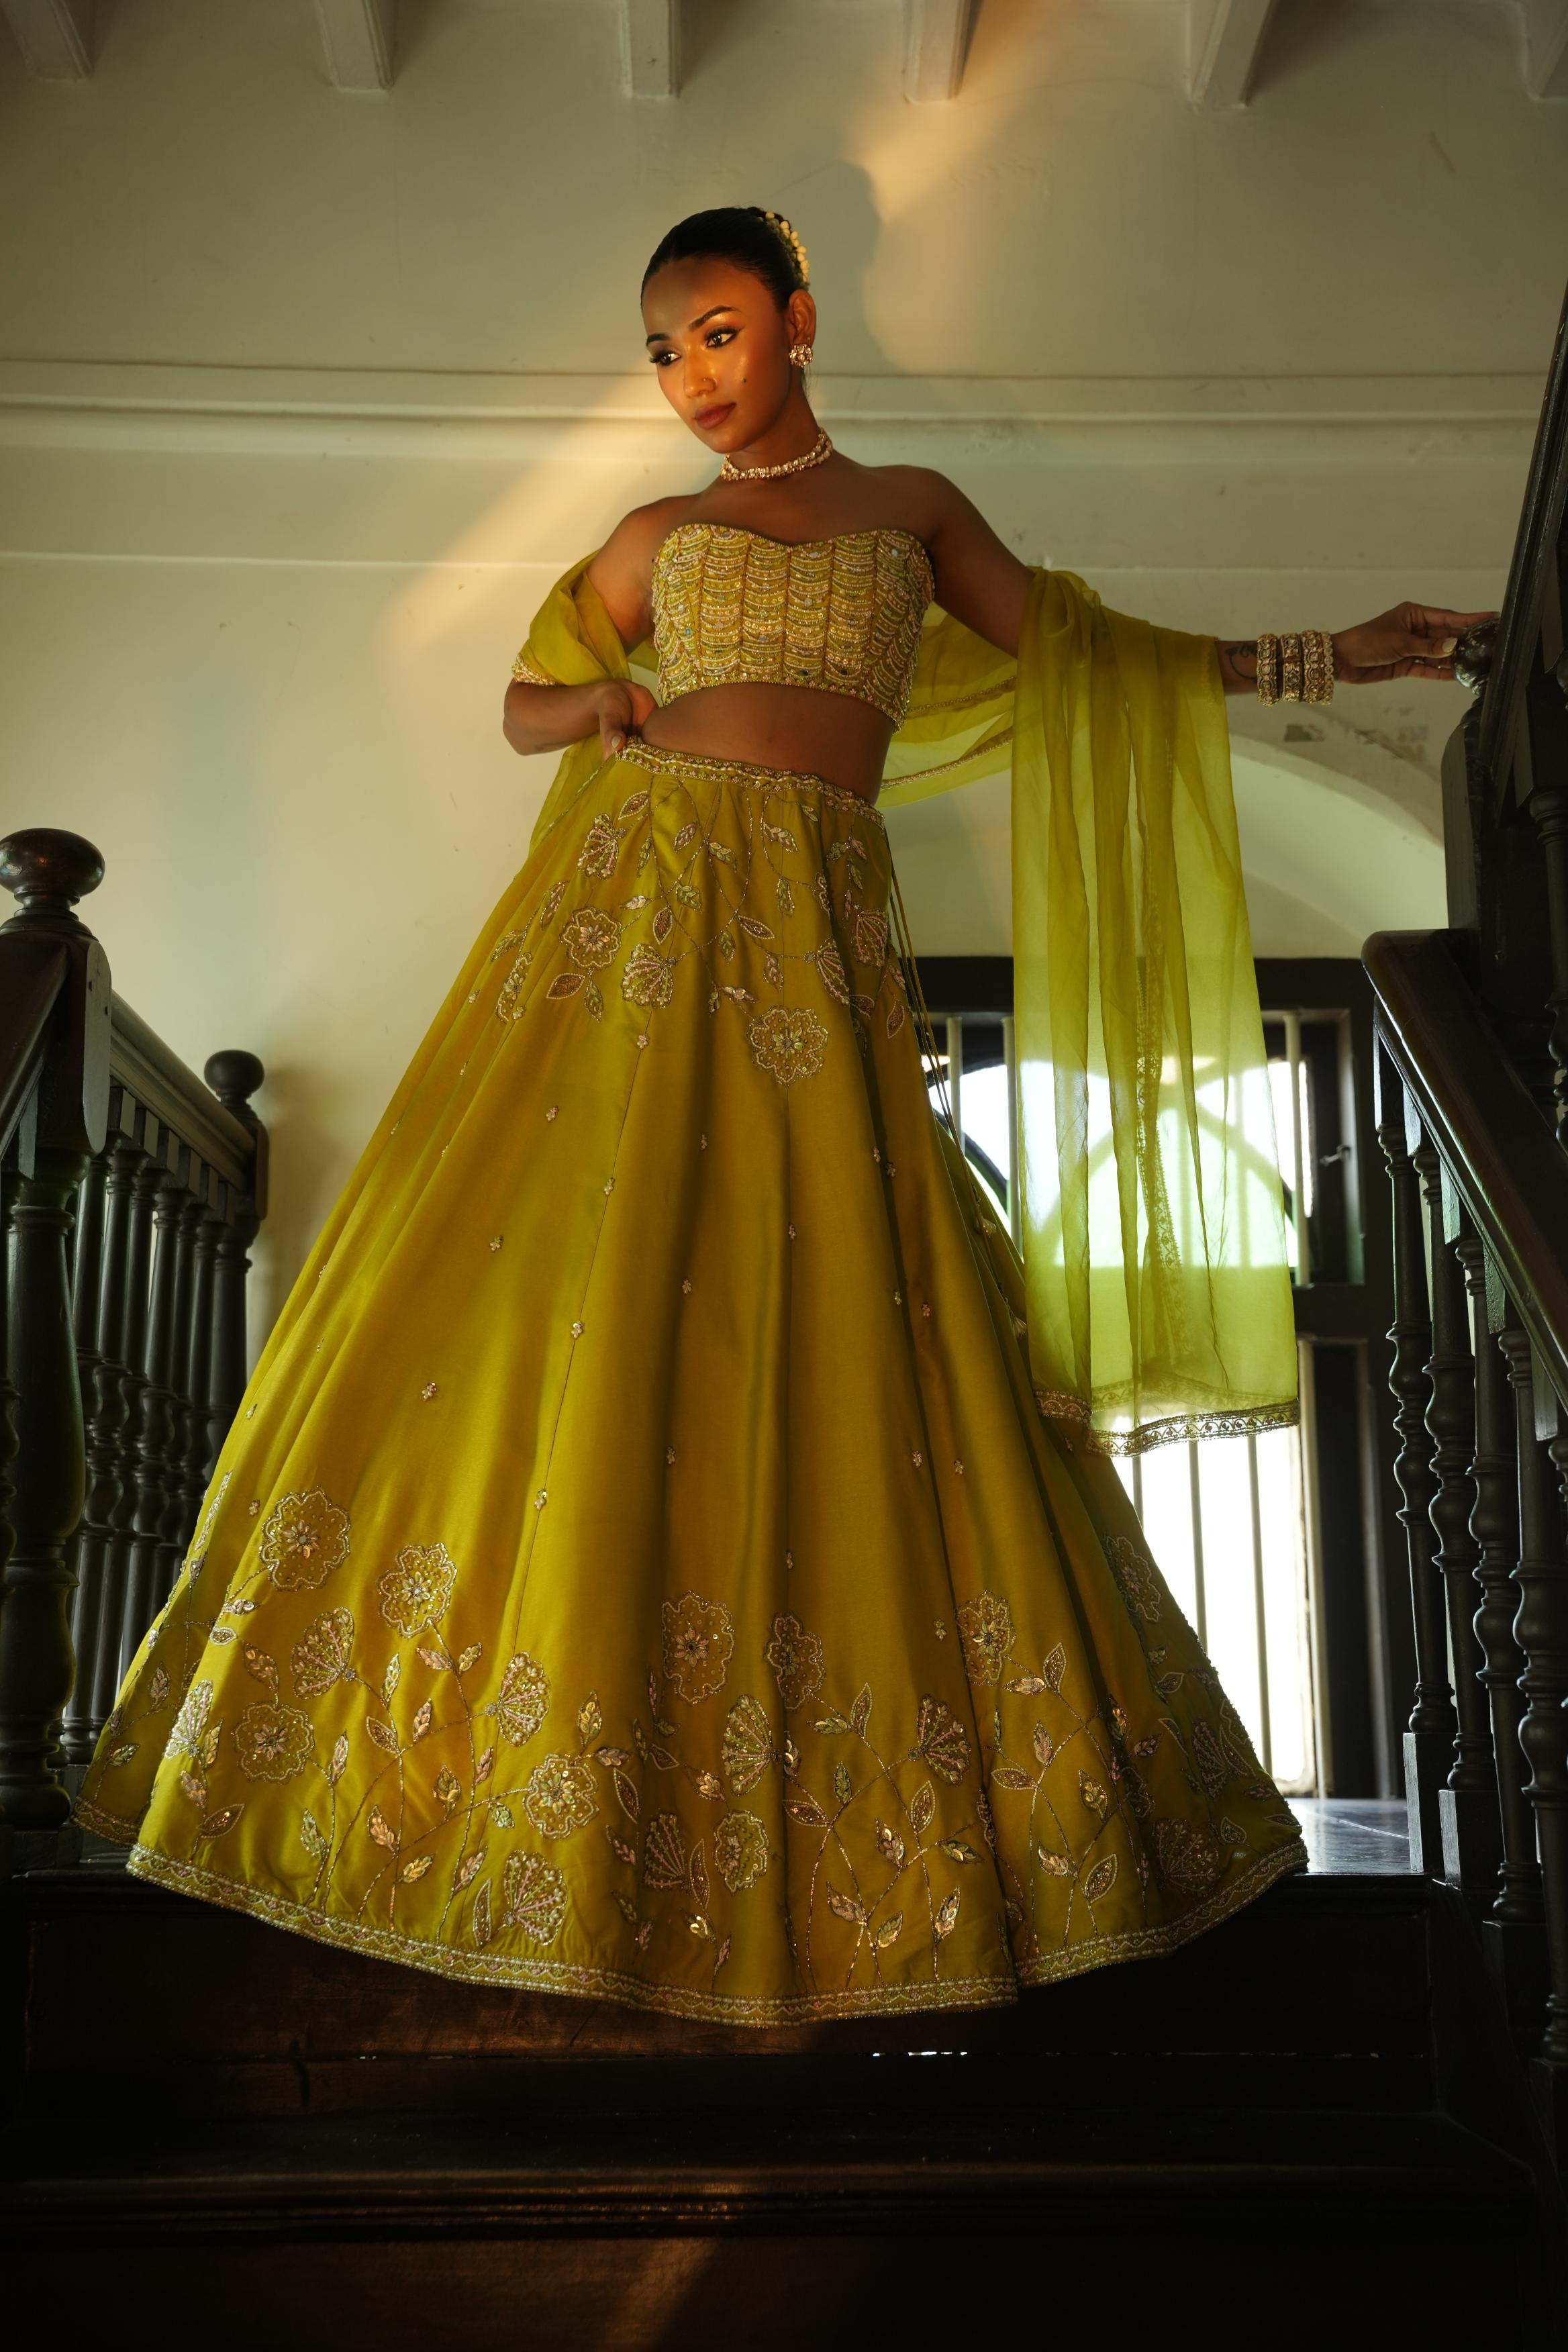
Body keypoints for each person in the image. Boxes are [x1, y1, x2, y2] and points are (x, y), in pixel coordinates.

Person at [74, 207, 1487, 2025]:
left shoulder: (914, 511)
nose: (691, 376)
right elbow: (520, 706)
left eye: (720, 331)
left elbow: (1087, 654)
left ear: (799, 320)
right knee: (600, 1284)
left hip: (818, 921)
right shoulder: (652, 538)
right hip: (650, 900)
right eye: (664, 350)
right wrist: (598, 698)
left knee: (839, 1296)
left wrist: (1323, 659)